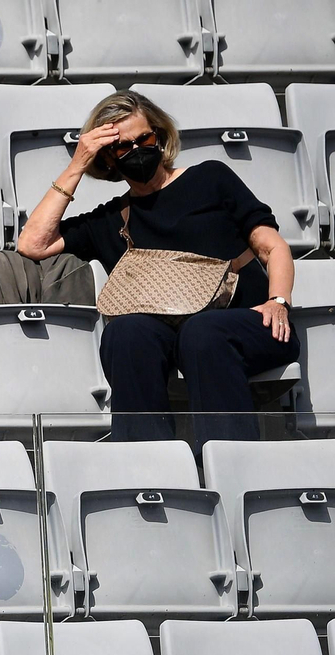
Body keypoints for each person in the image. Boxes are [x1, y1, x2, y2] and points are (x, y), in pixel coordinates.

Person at [17, 90, 298, 447]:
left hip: (254, 321)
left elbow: (272, 246)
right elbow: (32, 244)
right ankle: (147, 467)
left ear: (160, 137)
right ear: (109, 159)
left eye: (144, 139)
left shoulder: (210, 179)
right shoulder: (111, 219)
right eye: (123, 147)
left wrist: (279, 301)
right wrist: (77, 165)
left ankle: (232, 463)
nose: (136, 151)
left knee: (203, 332)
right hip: (178, 336)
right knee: (125, 333)